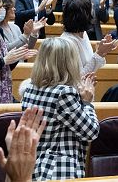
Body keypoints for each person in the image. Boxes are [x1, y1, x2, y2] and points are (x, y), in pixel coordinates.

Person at [21, 38, 99, 180]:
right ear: (69, 62)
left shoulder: (30, 89)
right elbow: (91, 132)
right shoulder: (64, 93)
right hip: (58, 171)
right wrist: (87, 102)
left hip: (34, 167)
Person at [60, 0, 118, 75]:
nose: (93, 11)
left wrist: (101, 51)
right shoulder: (68, 42)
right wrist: (99, 53)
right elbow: (79, 77)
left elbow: (92, 66)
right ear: (85, 15)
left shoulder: (83, 33)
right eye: (92, 8)